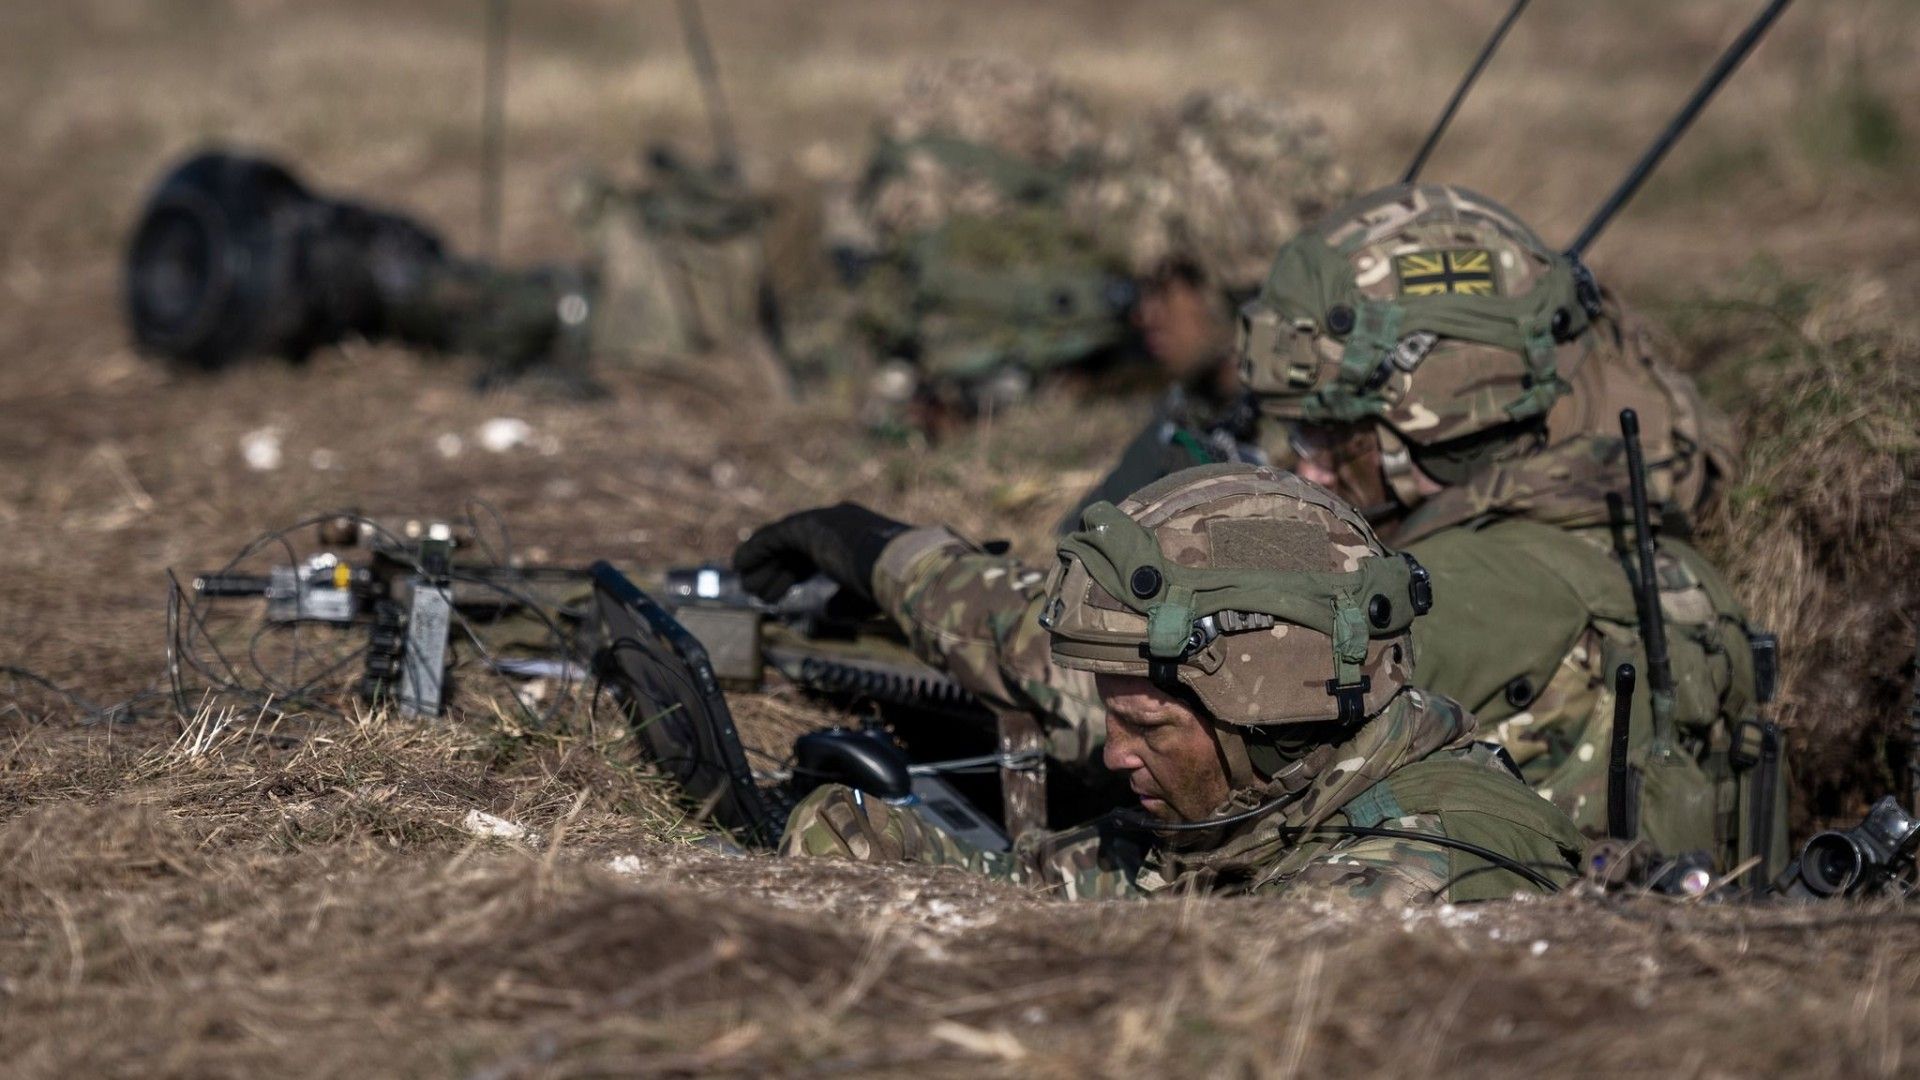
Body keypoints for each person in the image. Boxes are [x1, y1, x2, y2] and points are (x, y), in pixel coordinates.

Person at [736, 183, 1786, 883]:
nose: (1309, 464)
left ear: (1436, 412)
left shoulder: (1469, 586)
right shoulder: (1646, 550)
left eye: (1338, 434)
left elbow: (1102, 672)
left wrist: (890, 554)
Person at [771, 464, 1586, 903]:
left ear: (1267, 708)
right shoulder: (1255, 808)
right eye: (1113, 719)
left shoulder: (1415, 872)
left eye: (1151, 730)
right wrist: (876, 843)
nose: (1116, 756)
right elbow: (1032, 892)